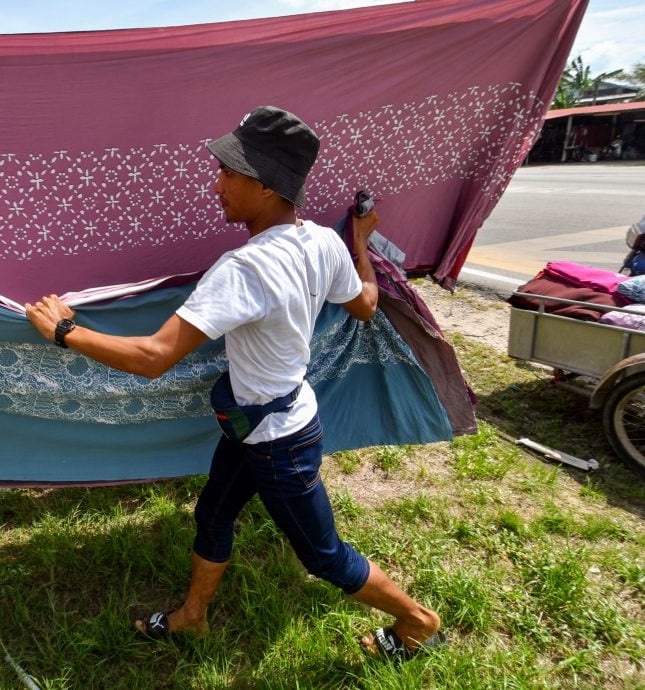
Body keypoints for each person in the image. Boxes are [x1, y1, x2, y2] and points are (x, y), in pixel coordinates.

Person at [25, 106, 444, 659]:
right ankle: (192, 617)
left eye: (229, 173)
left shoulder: (244, 269)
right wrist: (360, 242)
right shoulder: (320, 241)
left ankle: (417, 621)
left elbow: (154, 357)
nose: (217, 183)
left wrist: (65, 331)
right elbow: (366, 305)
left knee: (323, 557)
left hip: (279, 444)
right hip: (261, 421)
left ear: (267, 188)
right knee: (215, 514)